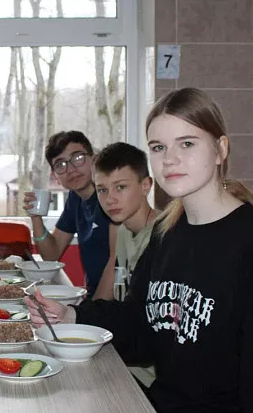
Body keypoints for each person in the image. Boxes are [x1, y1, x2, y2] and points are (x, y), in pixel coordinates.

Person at [25, 88, 253, 412]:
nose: (169, 159)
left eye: (187, 143)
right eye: (158, 147)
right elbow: (140, 324)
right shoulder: (165, 235)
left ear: (220, 149)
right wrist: (72, 315)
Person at [92, 142, 157, 389]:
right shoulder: (121, 232)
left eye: (120, 187)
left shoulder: (163, 238)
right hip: (120, 359)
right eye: (102, 190)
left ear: (146, 185)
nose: (110, 199)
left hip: (148, 377)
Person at [23, 131, 114, 297]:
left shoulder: (112, 199)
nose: (71, 169)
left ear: (94, 160)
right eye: (60, 165)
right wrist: (35, 217)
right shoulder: (75, 199)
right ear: (56, 177)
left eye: (78, 158)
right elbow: (51, 254)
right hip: (93, 297)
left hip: (117, 299)